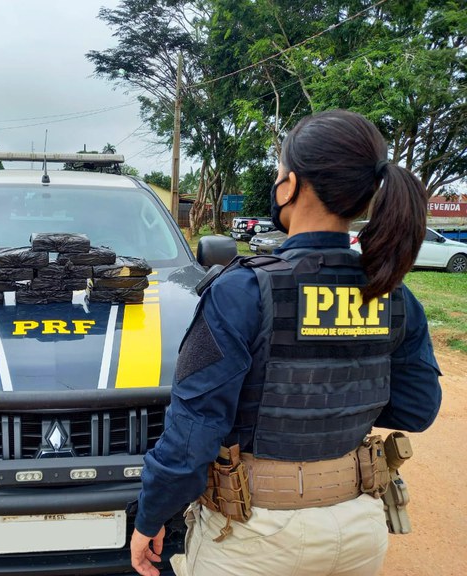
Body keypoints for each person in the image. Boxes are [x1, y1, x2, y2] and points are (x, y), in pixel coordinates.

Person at [130, 109, 442, 576]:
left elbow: (194, 431)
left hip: (254, 539)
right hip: (357, 530)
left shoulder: (241, 291)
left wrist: (151, 516)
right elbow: (417, 409)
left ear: (291, 186)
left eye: (279, 173)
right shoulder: (395, 295)